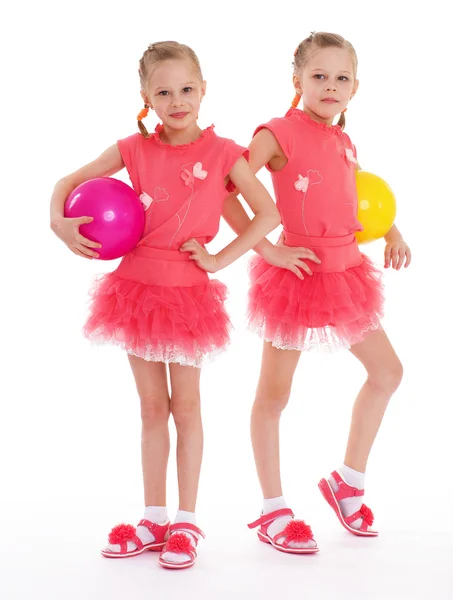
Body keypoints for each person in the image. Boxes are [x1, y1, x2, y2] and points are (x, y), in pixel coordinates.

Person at [50, 40, 279, 569]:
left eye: (187, 89)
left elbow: (265, 213)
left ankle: (187, 521)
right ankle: (154, 518)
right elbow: (68, 182)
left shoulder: (225, 153)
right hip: (135, 290)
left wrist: (220, 259)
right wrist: (57, 223)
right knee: (152, 408)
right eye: (164, 91)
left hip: (188, 295)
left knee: (188, 407)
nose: (177, 101)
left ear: (203, 90)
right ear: (146, 97)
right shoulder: (133, 148)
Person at [222, 32, 411, 554]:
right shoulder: (278, 132)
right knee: (274, 395)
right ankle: (272, 509)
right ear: (298, 81)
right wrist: (269, 251)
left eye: (341, 78)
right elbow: (225, 190)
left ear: (355, 87)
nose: (331, 86)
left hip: (347, 270)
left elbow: (354, 200)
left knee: (387, 372)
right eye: (319, 76)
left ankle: (346, 481)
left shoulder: (345, 140)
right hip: (298, 276)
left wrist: (390, 231)